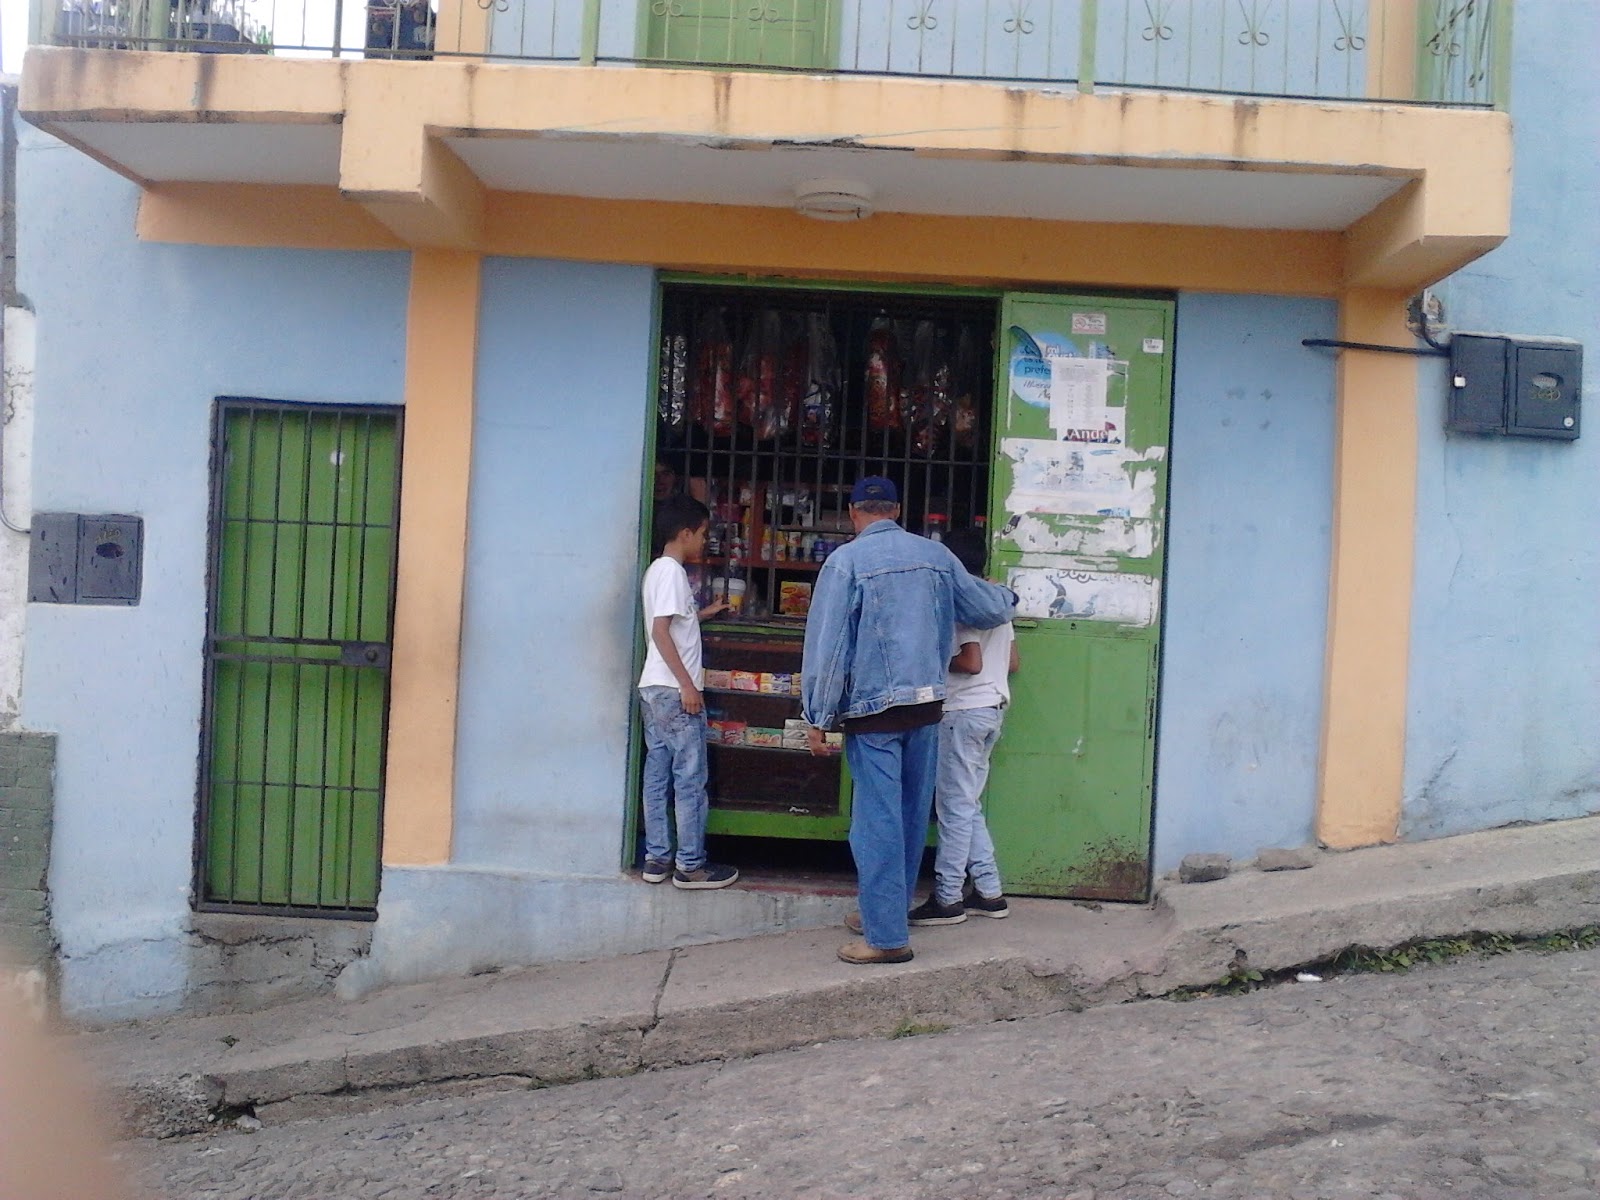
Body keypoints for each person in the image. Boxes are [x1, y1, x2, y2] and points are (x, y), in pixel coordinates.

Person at [801, 478, 1016, 964]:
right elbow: (988, 609)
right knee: (910, 818)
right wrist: (1008, 596)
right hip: (927, 709)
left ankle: (886, 938)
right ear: (897, 510)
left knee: (876, 823)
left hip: (873, 712)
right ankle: (886, 914)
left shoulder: (846, 562)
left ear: (854, 513)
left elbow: (828, 648)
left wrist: (817, 714)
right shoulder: (936, 557)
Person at [908, 526, 1018, 926]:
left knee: (953, 808)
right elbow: (1012, 662)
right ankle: (989, 892)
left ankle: (948, 897)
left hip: (962, 712)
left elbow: (970, 662)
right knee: (967, 805)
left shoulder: (961, 600)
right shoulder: (996, 601)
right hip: (991, 708)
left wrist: (930, 656)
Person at [638, 494, 738, 890]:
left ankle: (657, 859)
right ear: (684, 533)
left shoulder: (656, 571)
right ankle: (691, 865)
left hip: (654, 687)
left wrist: (703, 615)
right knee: (690, 779)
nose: (704, 541)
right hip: (673, 689)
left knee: (657, 777)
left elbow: (673, 624)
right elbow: (661, 631)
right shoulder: (672, 572)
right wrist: (687, 684)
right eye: (702, 533)